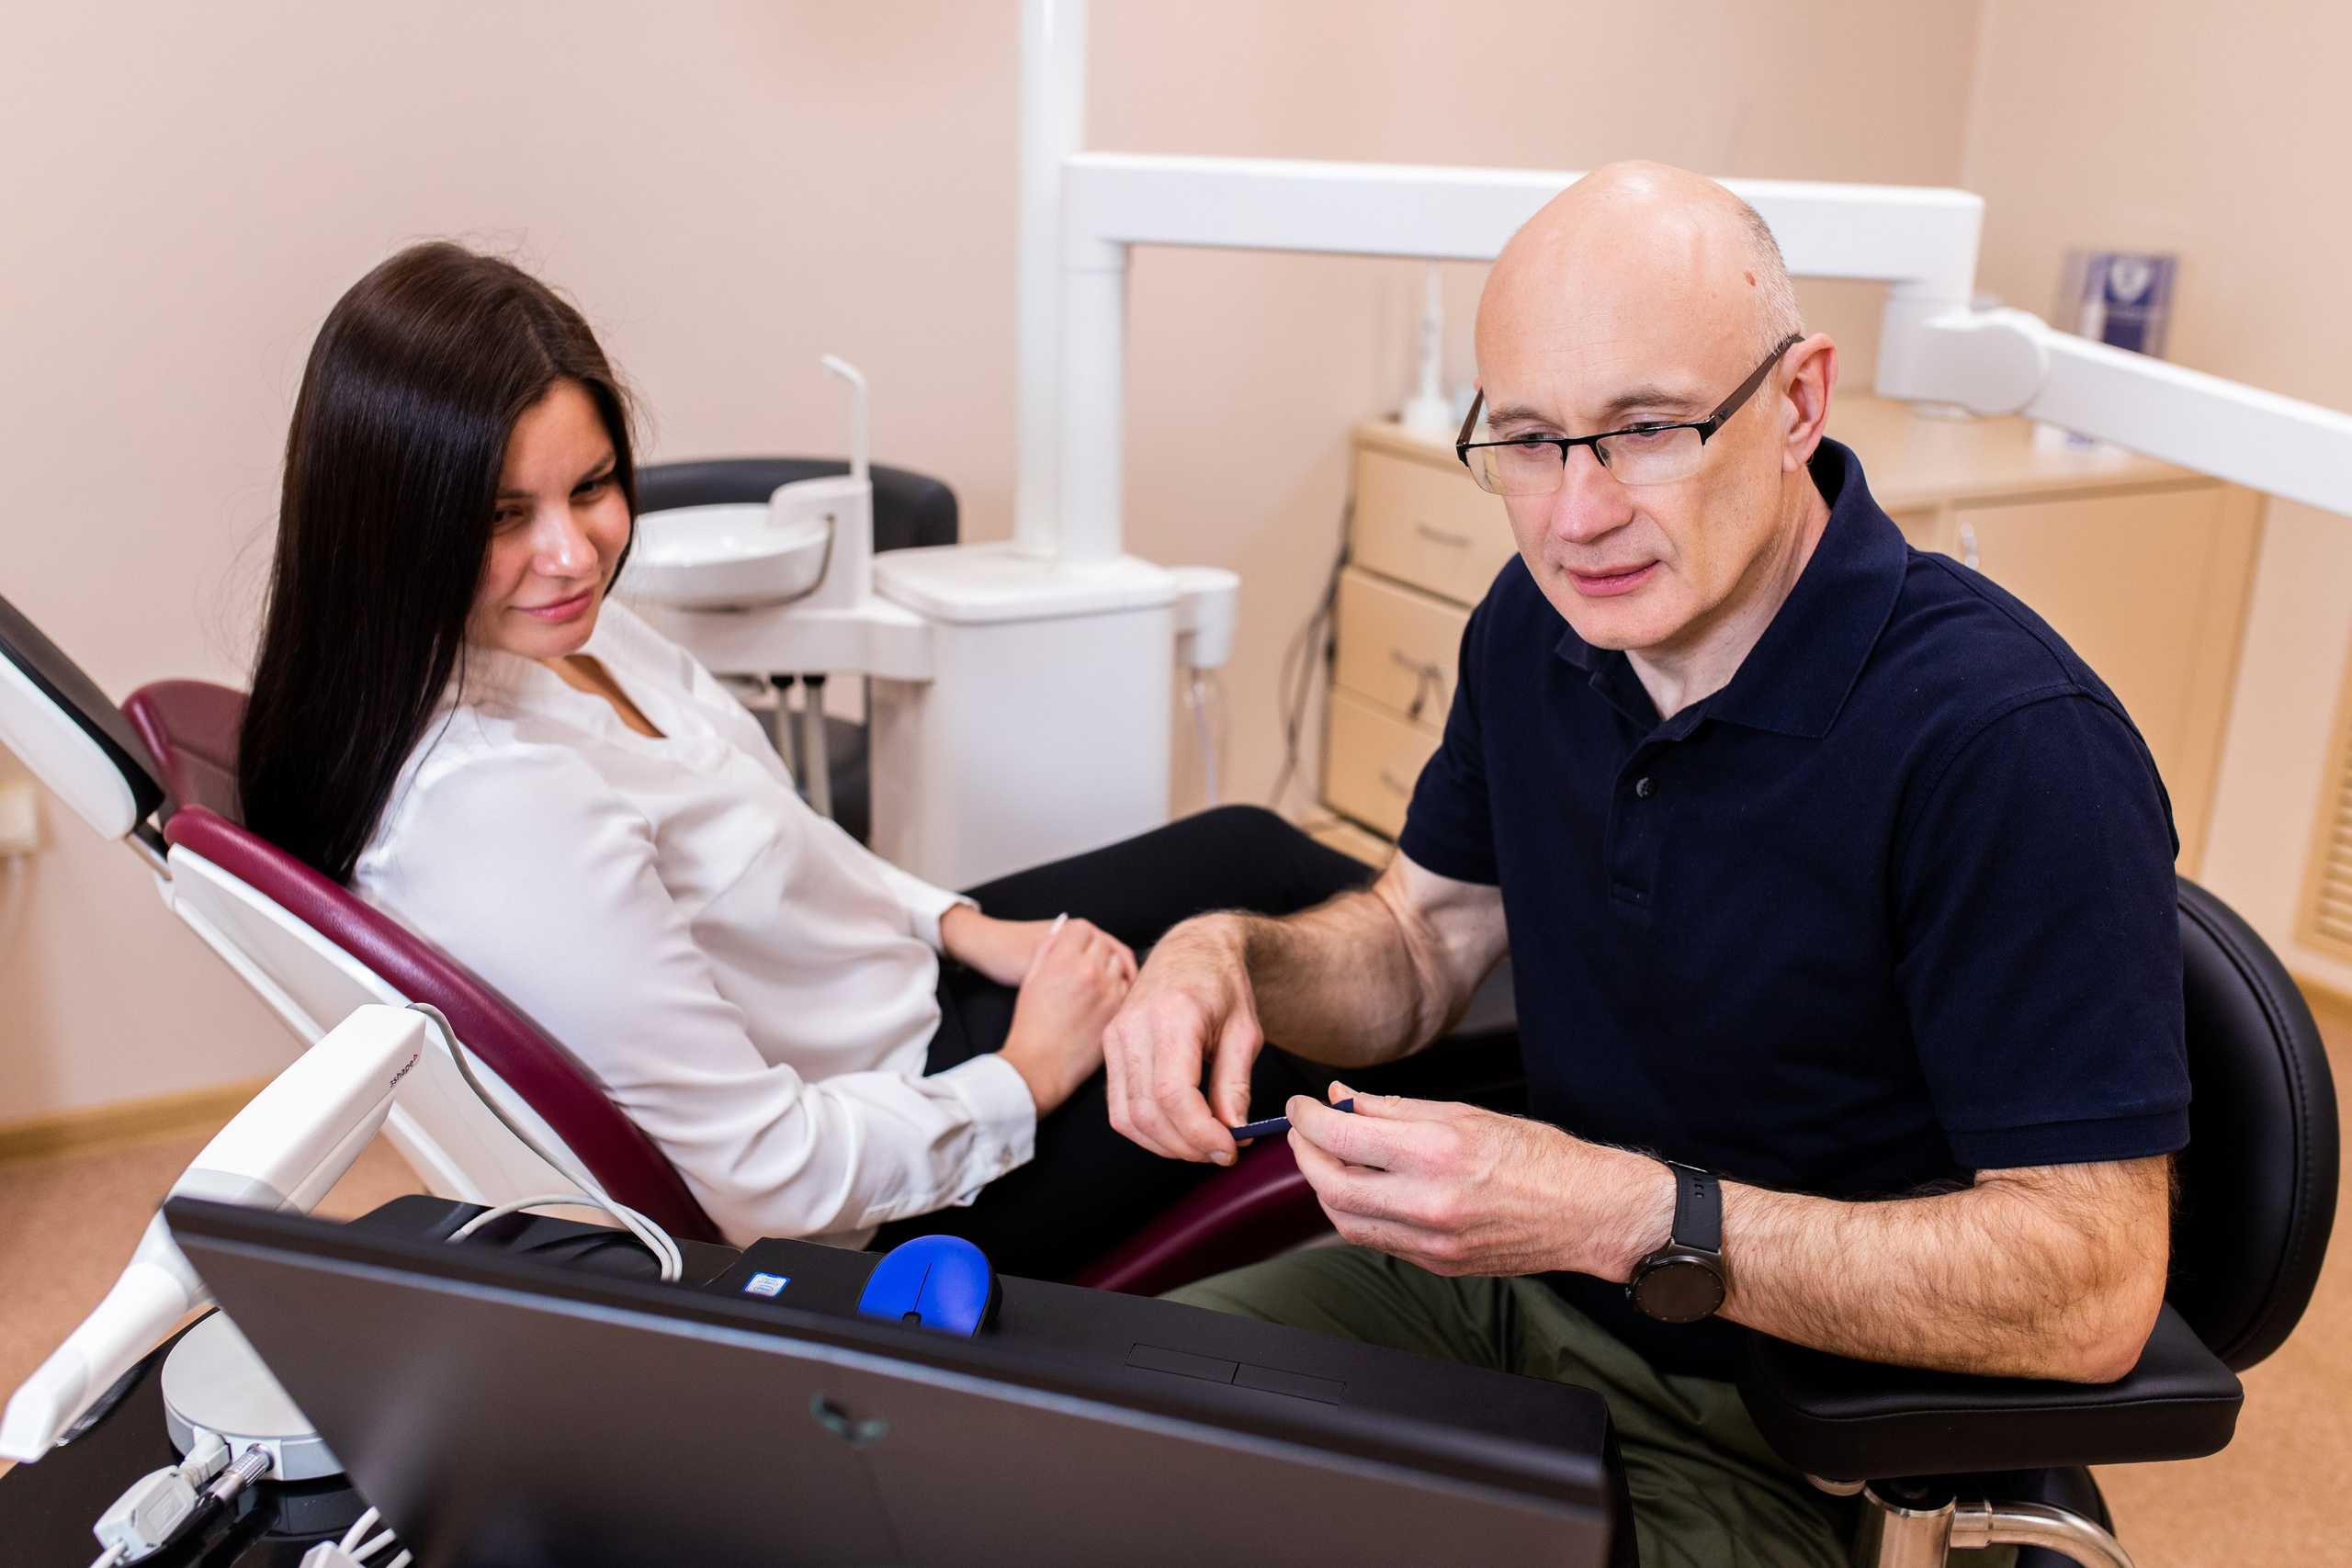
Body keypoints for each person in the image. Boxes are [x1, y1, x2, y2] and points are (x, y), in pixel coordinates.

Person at [1103, 163, 2186, 1568]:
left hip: (1797, 1429)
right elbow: (1423, 946)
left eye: (1645, 430)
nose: (1575, 515)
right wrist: (1225, 955)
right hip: (1510, 1300)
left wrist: (1613, 1210)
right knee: (1072, 1443)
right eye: (1532, 442)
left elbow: (2090, 1288)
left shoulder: (2007, 742)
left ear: (1798, 403)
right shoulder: (1539, 629)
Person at [235, 242, 1446, 1276]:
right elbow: (769, 1181)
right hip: (890, 1184)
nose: (570, 553)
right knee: (1271, 1027)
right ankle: (1570, 1128)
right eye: (503, 516)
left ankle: (1546, 992)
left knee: (1248, 851)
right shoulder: (494, 805)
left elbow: (785, 832)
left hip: (902, 1005)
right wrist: (1025, 1077)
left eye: (592, 487)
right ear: (395, 524)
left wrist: (963, 925)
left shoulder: (563, 640)